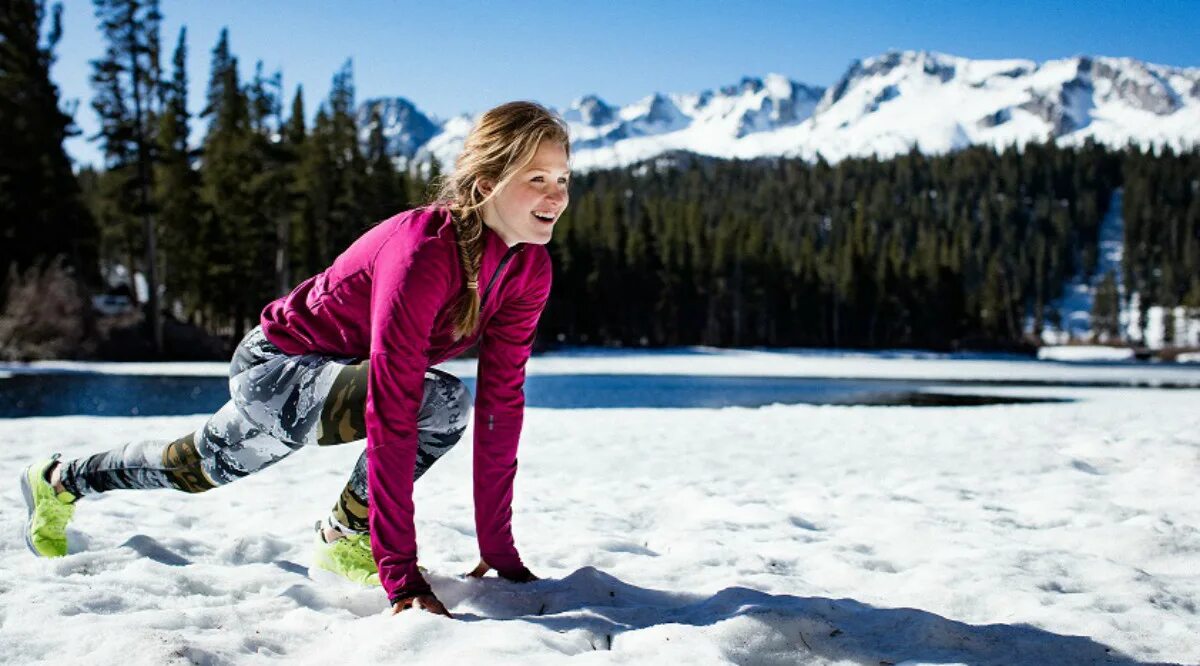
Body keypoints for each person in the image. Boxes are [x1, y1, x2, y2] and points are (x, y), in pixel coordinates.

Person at [19, 101, 571, 618]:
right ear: (486, 186)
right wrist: (401, 577)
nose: (555, 196)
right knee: (438, 400)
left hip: (332, 383)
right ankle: (348, 538)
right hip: (277, 369)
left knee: (196, 468)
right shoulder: (425, 249)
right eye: (537, 180)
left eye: (563, 180)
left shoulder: (529, 270)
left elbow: (503, 403)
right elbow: (394, 401)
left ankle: (63, 481)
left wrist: (501, 552)